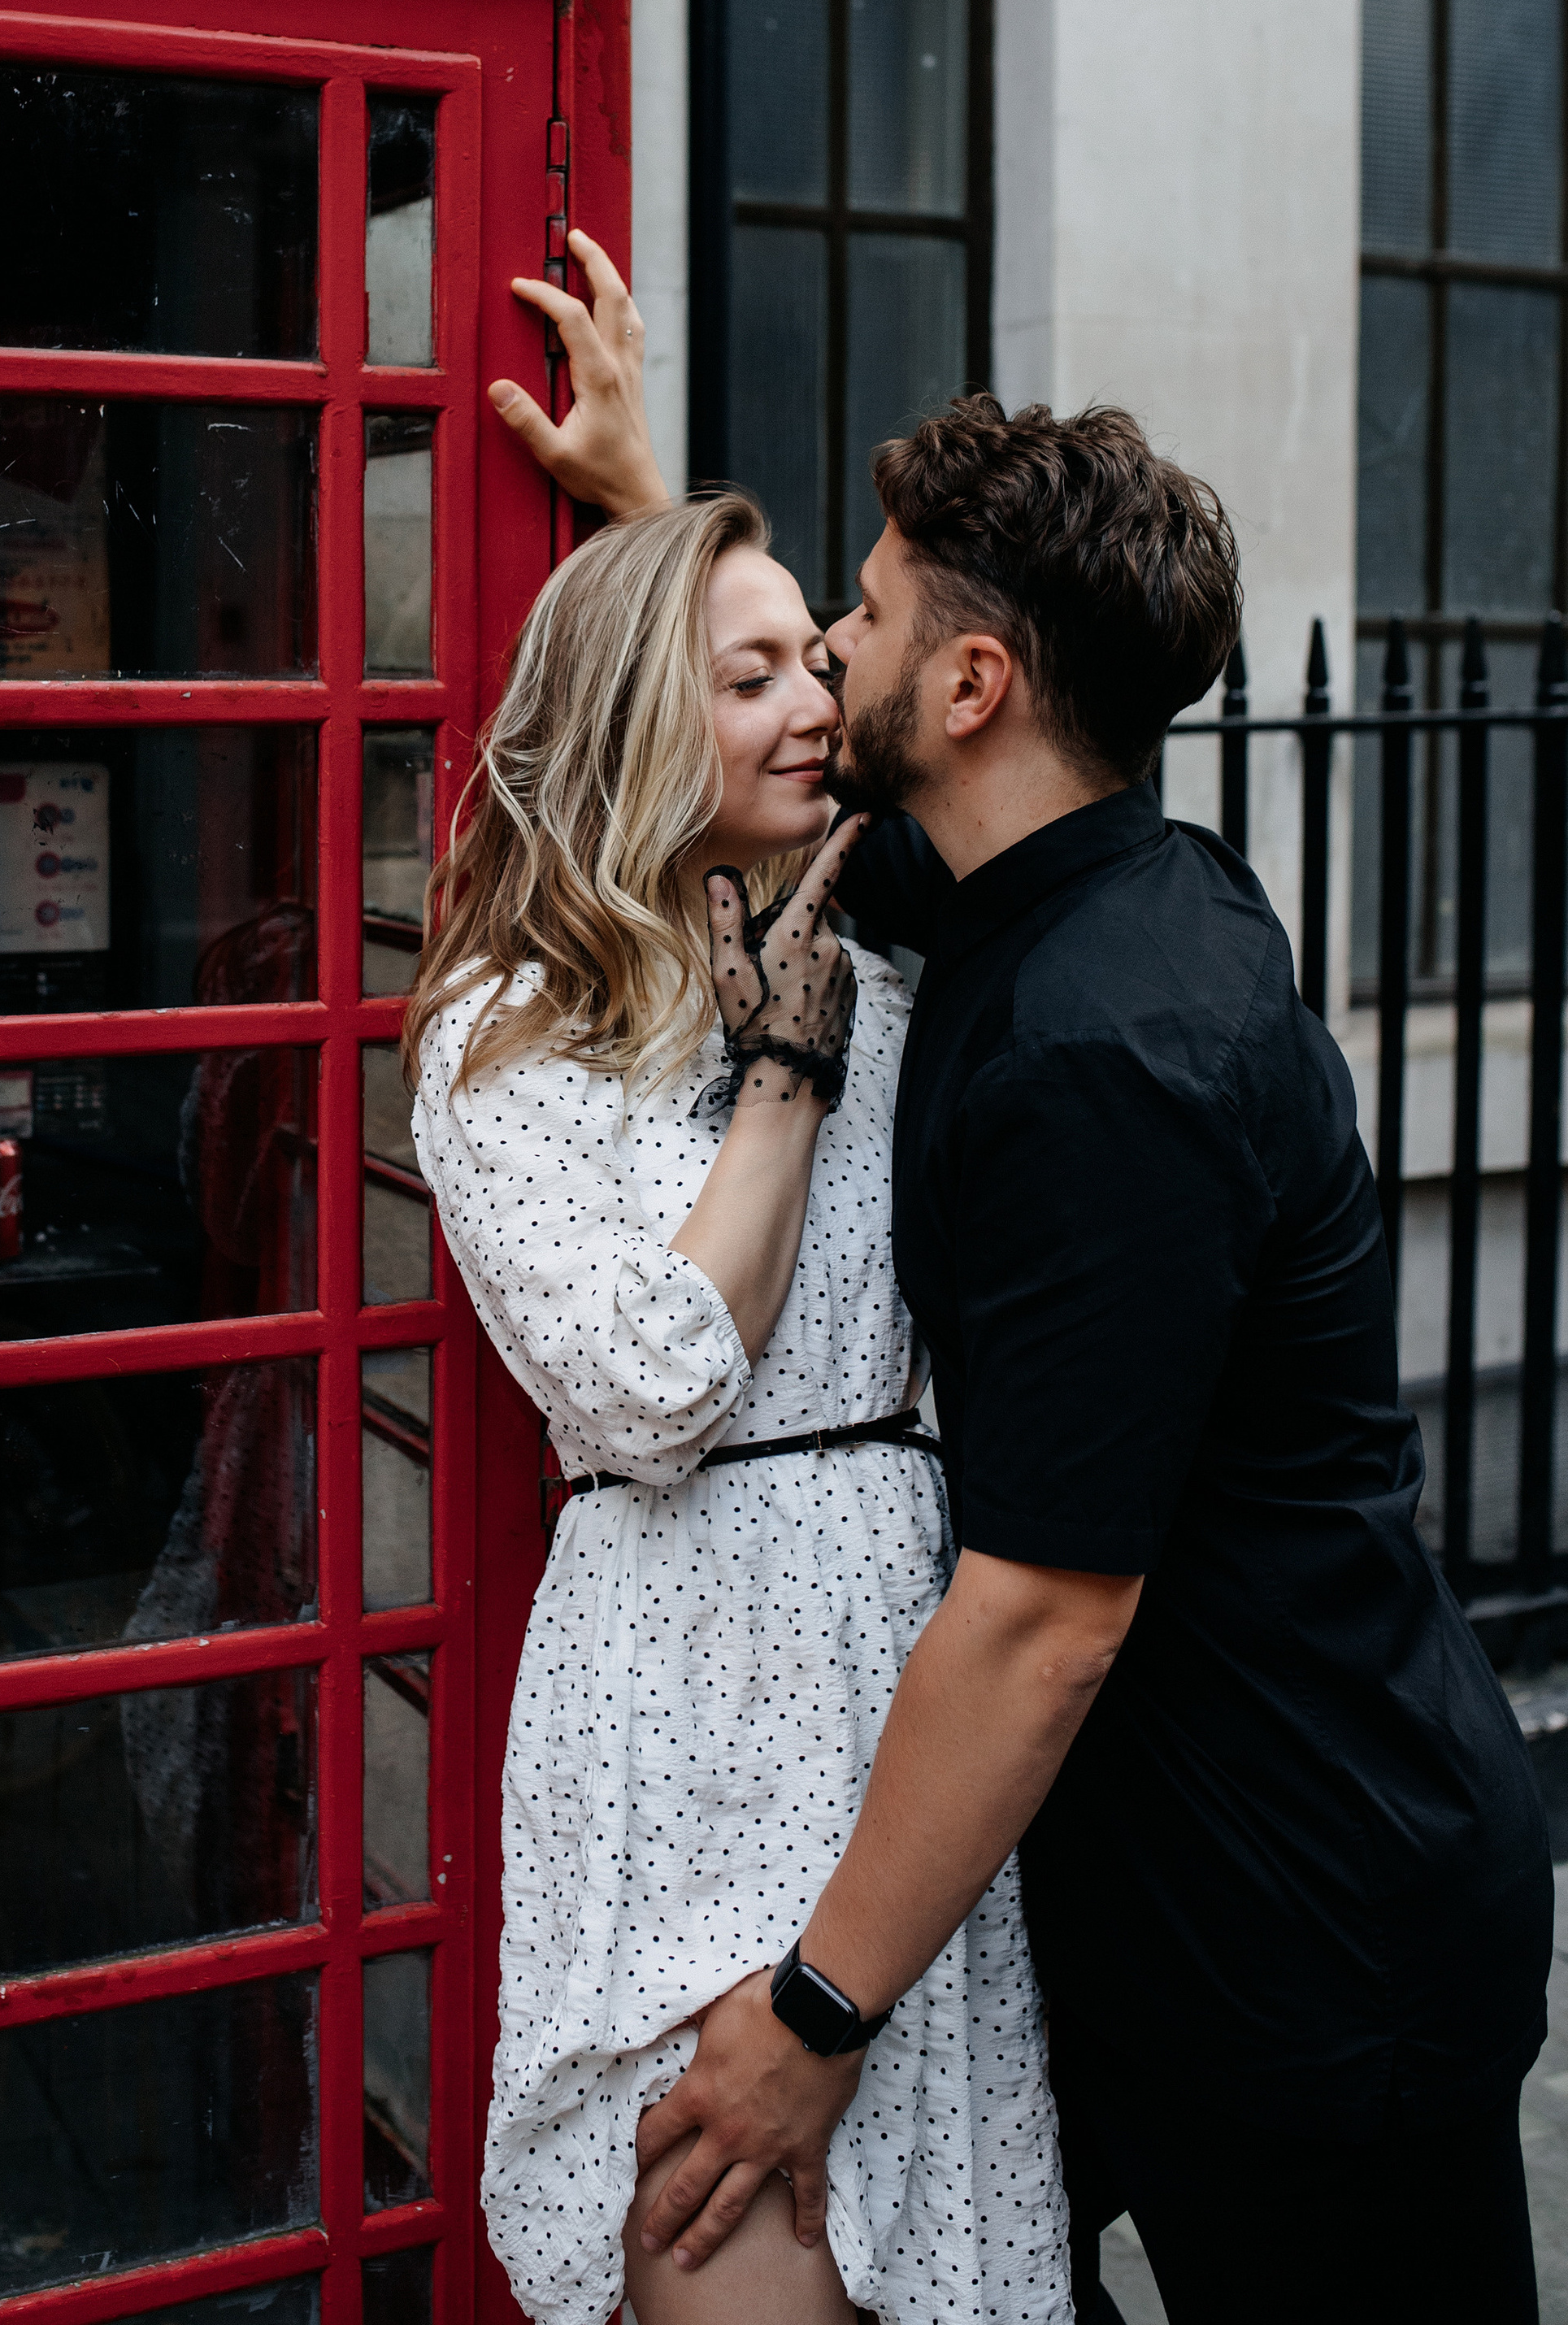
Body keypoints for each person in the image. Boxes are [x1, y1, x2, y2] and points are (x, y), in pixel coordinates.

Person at [489, 235, 1556, 2325]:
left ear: (969, 688)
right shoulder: (1027, 882)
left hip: (1311, 1937)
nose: (820, 663)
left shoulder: (1104, 1055)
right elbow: (732, 749)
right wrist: (644, 520)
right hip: (1149, 1894)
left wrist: (812, 2012)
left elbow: (1044, 1618)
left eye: (857, 624)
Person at [404, 492, 1073, 2325]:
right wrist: (779, 1076)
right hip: (686, 1699)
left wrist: (640, 465)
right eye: (750, 675)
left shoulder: (895, 967)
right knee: (730, 2231)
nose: (814, 702)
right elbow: (654, 1384)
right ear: (635, 715)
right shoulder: (504, 1031)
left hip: (901, 1676)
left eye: (813, 657)